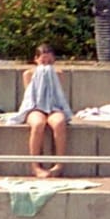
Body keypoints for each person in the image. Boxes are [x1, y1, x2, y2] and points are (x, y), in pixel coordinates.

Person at [17, 43, 72, 178]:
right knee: (38, 124)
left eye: (49, 61)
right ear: (36, 59)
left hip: (53, 106)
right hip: (35, 107)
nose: (46, 65)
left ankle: (59, 164)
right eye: (43, 61)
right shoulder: (28, 74)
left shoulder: (58, 74)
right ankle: (35, 166)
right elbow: (30, 97)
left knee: (59, 123)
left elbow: (58, 94)